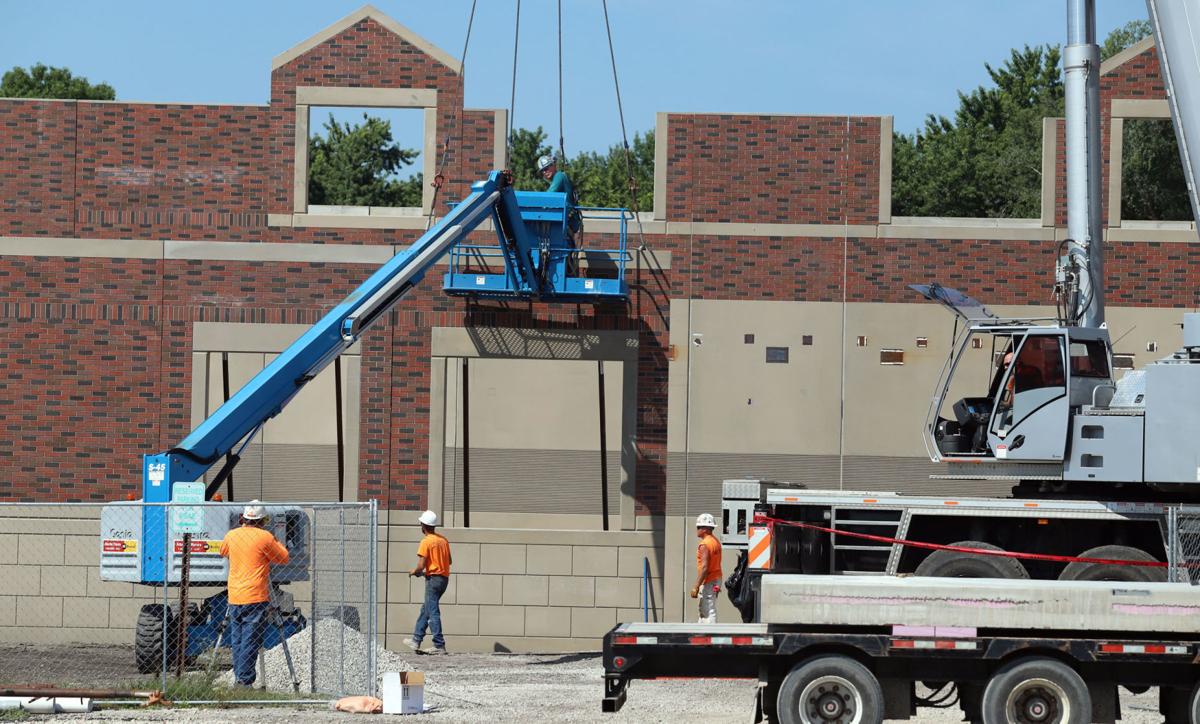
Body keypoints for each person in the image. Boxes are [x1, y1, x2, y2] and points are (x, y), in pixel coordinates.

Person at [219, 500, 290, 686]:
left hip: (235, 595)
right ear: (263, 519)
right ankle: (244, 681)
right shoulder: (265, 537)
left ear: (243, 518)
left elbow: (223, 551)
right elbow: (283, 558)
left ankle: (239, 678)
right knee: (251, 640)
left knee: (238, 640)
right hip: (256, 595)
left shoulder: (231, 535)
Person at [403, 510, 452, 655]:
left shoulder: (426, 542)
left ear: (423, 525)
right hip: (443, 579)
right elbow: (449, 561)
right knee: (427, 609)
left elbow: (421, 564)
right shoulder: (443, 540)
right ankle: (416, 640)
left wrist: (415, 571)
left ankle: (439, 644)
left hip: (433, 580)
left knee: (432, 611)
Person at [538, 154, 583, 238]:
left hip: (569, 221)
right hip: (568, 220)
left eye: (546, 168)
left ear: (553, 165)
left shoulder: (559, 176)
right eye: (542, 171)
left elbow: (549, 196)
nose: (544, 172)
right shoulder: (557, 178)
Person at [690, 513, 723, 624]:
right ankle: (702, 633)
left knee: (708, 610)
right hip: (716, 579)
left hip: (709, 580)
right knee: (706, 608)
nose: (697, 529)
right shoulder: (715, 541)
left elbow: (704, 568)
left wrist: (696, 586)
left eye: (698, 527)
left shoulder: (704, 545)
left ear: (705, 529)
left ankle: (711, 636)